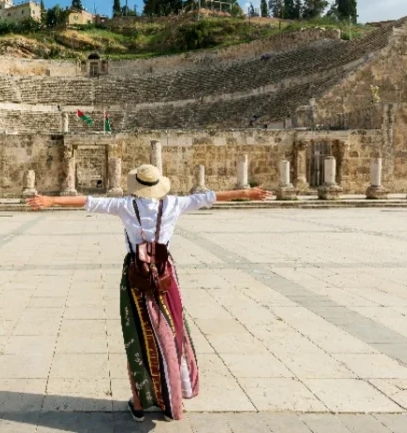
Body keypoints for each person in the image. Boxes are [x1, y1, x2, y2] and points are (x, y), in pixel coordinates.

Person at [27, 164, 271, 422]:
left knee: (138, 336)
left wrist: (50, 200)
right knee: (172, 334)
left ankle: (139, 402)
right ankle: (172, 400)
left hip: (137, 278)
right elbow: (210, 197)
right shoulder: (174, 204)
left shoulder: (125, 206)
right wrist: (247, 193)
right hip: (165, 277)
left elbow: (88, 201)